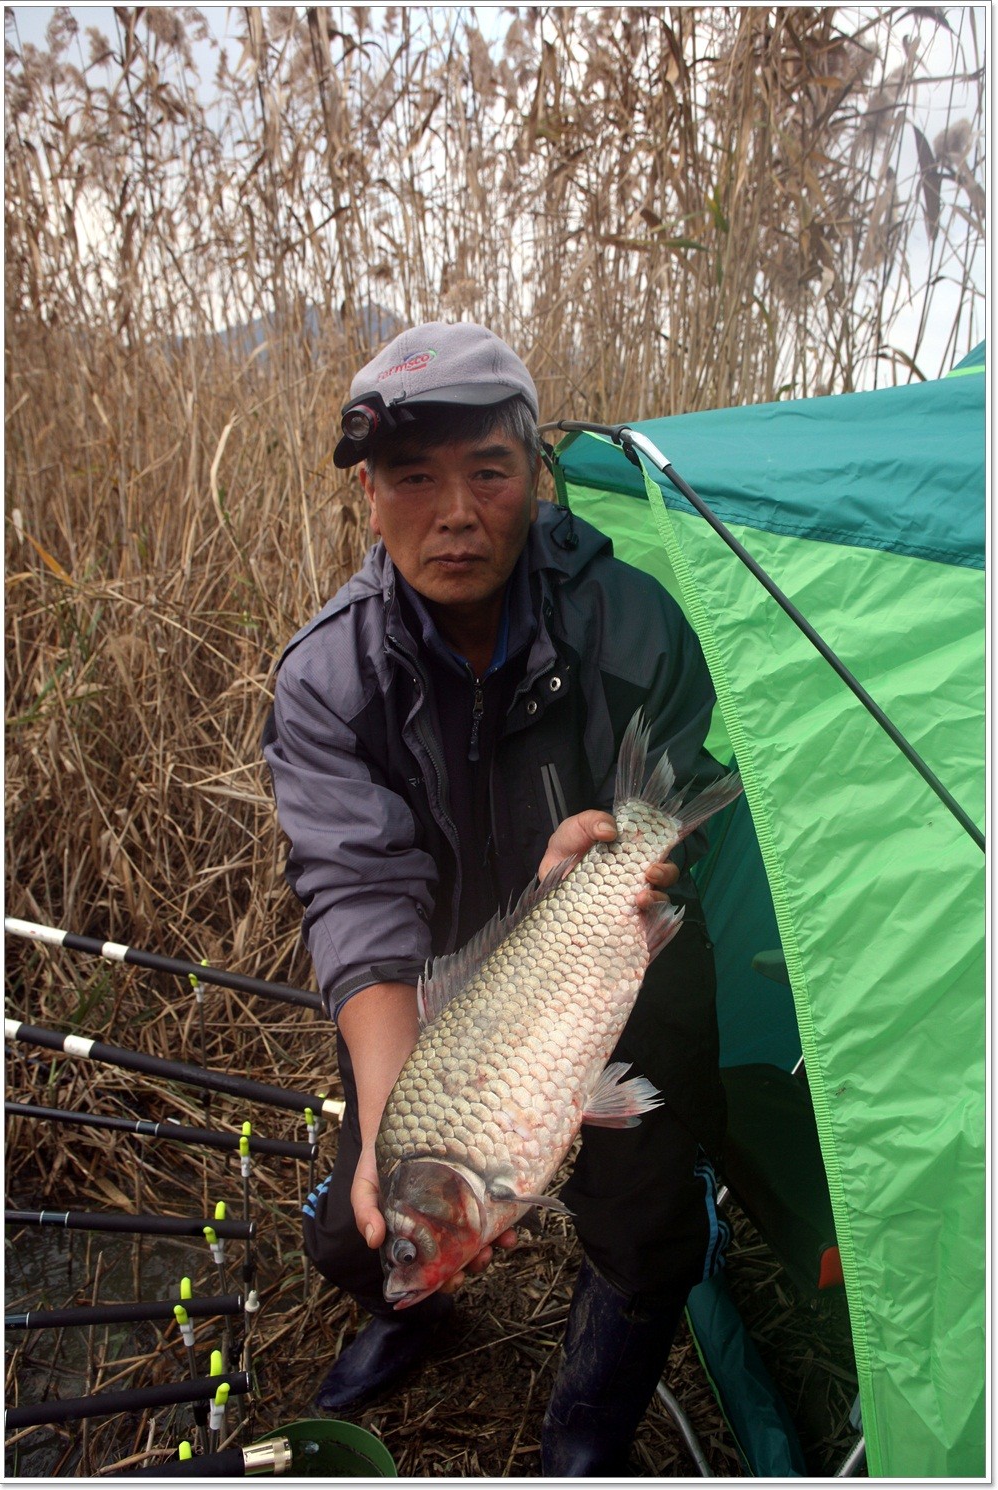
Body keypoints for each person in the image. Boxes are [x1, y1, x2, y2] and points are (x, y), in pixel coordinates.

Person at [263, 321, 729, 1476]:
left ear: (536, 474)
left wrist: (617, 869)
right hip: (438, 1002)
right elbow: (358, 902)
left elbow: (679, 814)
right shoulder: (324, 678)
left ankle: (587, 1424)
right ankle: (416, 1308)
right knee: (362, 1227)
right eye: (413, 479)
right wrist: (397, 1138)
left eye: (488, 471)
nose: (455, 513)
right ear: (369, 495)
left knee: (648, 1225)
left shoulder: (633, 620)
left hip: (607, 954)